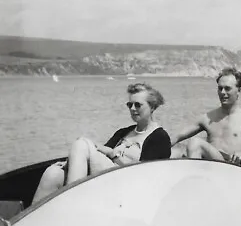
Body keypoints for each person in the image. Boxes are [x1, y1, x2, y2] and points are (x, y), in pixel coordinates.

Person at [32, 82, 171, 203]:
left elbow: (145, 175)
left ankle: (71, 203)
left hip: (127, 186)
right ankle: (30, 224)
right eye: (130, 105)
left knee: (82, 144)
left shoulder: (159, 137)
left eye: (138, 105)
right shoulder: (124, 132)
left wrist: (113, 154)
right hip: (108, 180)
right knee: (53, 173)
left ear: (152, 107)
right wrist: (71, 162)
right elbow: (97, 156)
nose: (133, 109)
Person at [171, 67, 241, 170]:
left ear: (239, 90)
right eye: (220, 88)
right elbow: (177, 137)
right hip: (212, 166)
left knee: (195, 143)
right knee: (175, 153)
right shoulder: (207, 118)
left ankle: (196, 181)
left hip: (233, 168)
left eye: (227, 88)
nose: (222, 92)